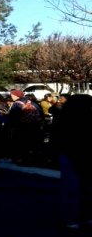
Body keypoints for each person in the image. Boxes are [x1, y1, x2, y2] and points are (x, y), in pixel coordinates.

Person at [55, 94, 92, 231]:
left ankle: (72, 218)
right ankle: (86, 216)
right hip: (85, 156)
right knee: (85, 187)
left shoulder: (63, 117)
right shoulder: (88, 117)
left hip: (69, 155)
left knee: (72, 189)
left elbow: (57, 138)